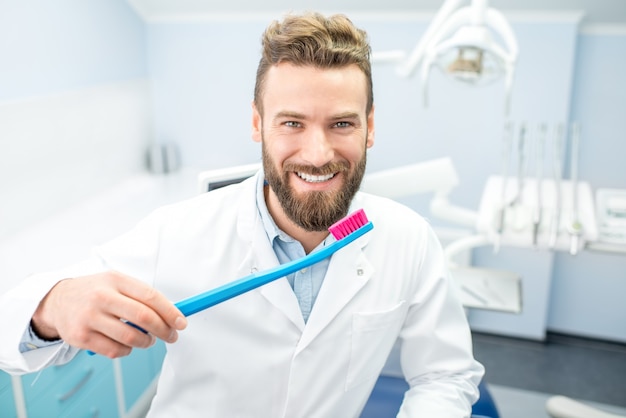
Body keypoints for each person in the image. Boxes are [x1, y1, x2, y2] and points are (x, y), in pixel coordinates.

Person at [0, 12, 484, 417]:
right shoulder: (181, 232)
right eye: (291, 123)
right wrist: (52, 306)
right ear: (257, 123)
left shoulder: (409, 240)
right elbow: (11, 327)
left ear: (369, 127)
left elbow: (446, 374)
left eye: (341, 124)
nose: (317, 154)